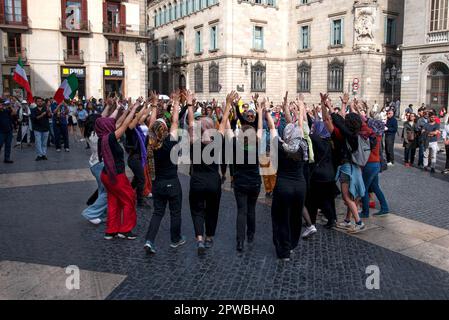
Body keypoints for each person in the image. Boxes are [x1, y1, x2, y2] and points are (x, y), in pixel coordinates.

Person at [144, 91, 186, 254]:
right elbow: (175, 121)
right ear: (165, 130)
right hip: (172, 183)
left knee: (157, 213)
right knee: (175, 213)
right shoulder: (169, 143)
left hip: (157, 184)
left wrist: (154, 105)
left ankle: (149, 240)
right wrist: (176, 102)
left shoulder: (151, 144)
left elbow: (152, 125)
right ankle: (175, 240)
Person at [267, 96, 308, 261]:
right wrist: (301, 107)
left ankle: (283, 251)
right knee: (295, 217)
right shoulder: (303, 144)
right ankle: (291, 245)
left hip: (283, 186)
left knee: (280, 217)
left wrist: (265, 111)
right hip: (300, 186)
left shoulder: (280, 145)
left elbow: (271, 127)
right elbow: (300, 127)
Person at [186, 90, 222, 255]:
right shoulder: (218, 141)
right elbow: (222, 125)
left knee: (197, 210)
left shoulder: (194, 141)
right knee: (212, 209)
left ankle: (199, 239)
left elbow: (191, 123)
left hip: (197, 181)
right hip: (214, 182)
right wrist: (227, 106)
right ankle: (209, 237)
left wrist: (189, 104)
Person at [96, 101, 139, 240]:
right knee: (129, 199)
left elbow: (109, 120)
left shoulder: (101, 135)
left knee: (113, 201)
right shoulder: (111, 138)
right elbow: (125, 124)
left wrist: (118, 108)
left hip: (106, 174)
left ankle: (111, 230)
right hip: (116, 176)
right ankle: (125, 230)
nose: (112, 122)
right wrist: (134, 109)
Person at [360, 118, 390, 217]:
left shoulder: (371, 135)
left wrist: (355, 109)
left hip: (369, 164)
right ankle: (385, 207)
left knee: (364, 188)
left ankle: (365, 212)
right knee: (375, 187)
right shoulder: (379, 135)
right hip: (376, 164)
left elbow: (363, 124)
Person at [81, 113, 107, 225]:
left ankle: (101, 213)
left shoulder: (90, 132)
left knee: (102, 190)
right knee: (108, 192)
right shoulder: (97, 135)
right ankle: (90, 213)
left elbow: (103, 117)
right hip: (99, 165)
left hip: (95, 164)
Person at [30, 97, 52, 161]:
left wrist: (49, 112)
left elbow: (50, 116)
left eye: (41, 101)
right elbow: (34, 119)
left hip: (45, 128)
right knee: (38, 142)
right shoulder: (33, 110)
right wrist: (42, 115)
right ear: (36, 102)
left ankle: (44, 154)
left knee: (44, 143)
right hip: (37, 128)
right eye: (38, 101)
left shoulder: (46, 108)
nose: (40, 102)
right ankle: (39, 155)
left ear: (42, 102)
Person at [0, 98, 16, 163]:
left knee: (8, 145)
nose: (4, 105)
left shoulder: (7, 110)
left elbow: (14, 112)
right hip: (1, 131)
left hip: (9, 131)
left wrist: (10, 106)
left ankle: (7, 158)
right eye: (3, 104)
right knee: (0, 144)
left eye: (4, 104)